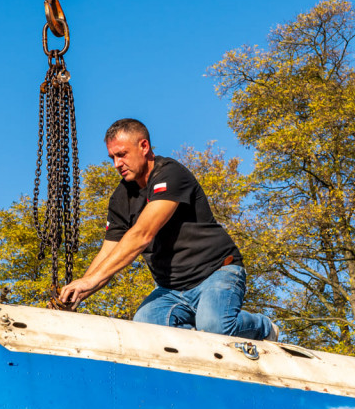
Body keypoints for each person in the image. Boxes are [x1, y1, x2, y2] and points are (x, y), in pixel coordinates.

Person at [60, 118, 277, 341]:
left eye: (122, 154)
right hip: (170, 289)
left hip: (216, 273)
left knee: (216, 330)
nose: (117, 163)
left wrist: (90, 282)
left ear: (144, 146)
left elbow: (142, 234)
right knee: (145, 331)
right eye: (112, 157)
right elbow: (107, 253)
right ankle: (197, 332)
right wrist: (78, 293)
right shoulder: (120, 198)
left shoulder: (170, 174)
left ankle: (263, 327)